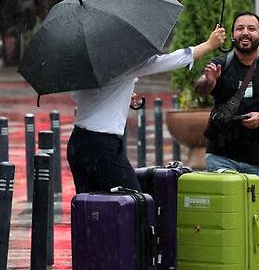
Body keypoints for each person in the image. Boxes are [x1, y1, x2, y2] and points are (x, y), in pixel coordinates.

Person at [67, 25, 226, 194]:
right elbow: (167, 61)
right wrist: (209, 45)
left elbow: (80, 97)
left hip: (78, 143)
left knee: (88, 207)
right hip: (103, 146)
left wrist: (122, 94)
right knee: (132, 203)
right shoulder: (123, 62)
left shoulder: (87, 66)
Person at [194, 12, 259, 200]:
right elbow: (200, 89)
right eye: (240, 28)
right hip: (221, 155)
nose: (245, 33)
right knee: (225, 215)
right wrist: (210, 81)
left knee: (252, 216)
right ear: (233, 34)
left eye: (251, 29)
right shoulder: (220, 64)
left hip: (258, 160)